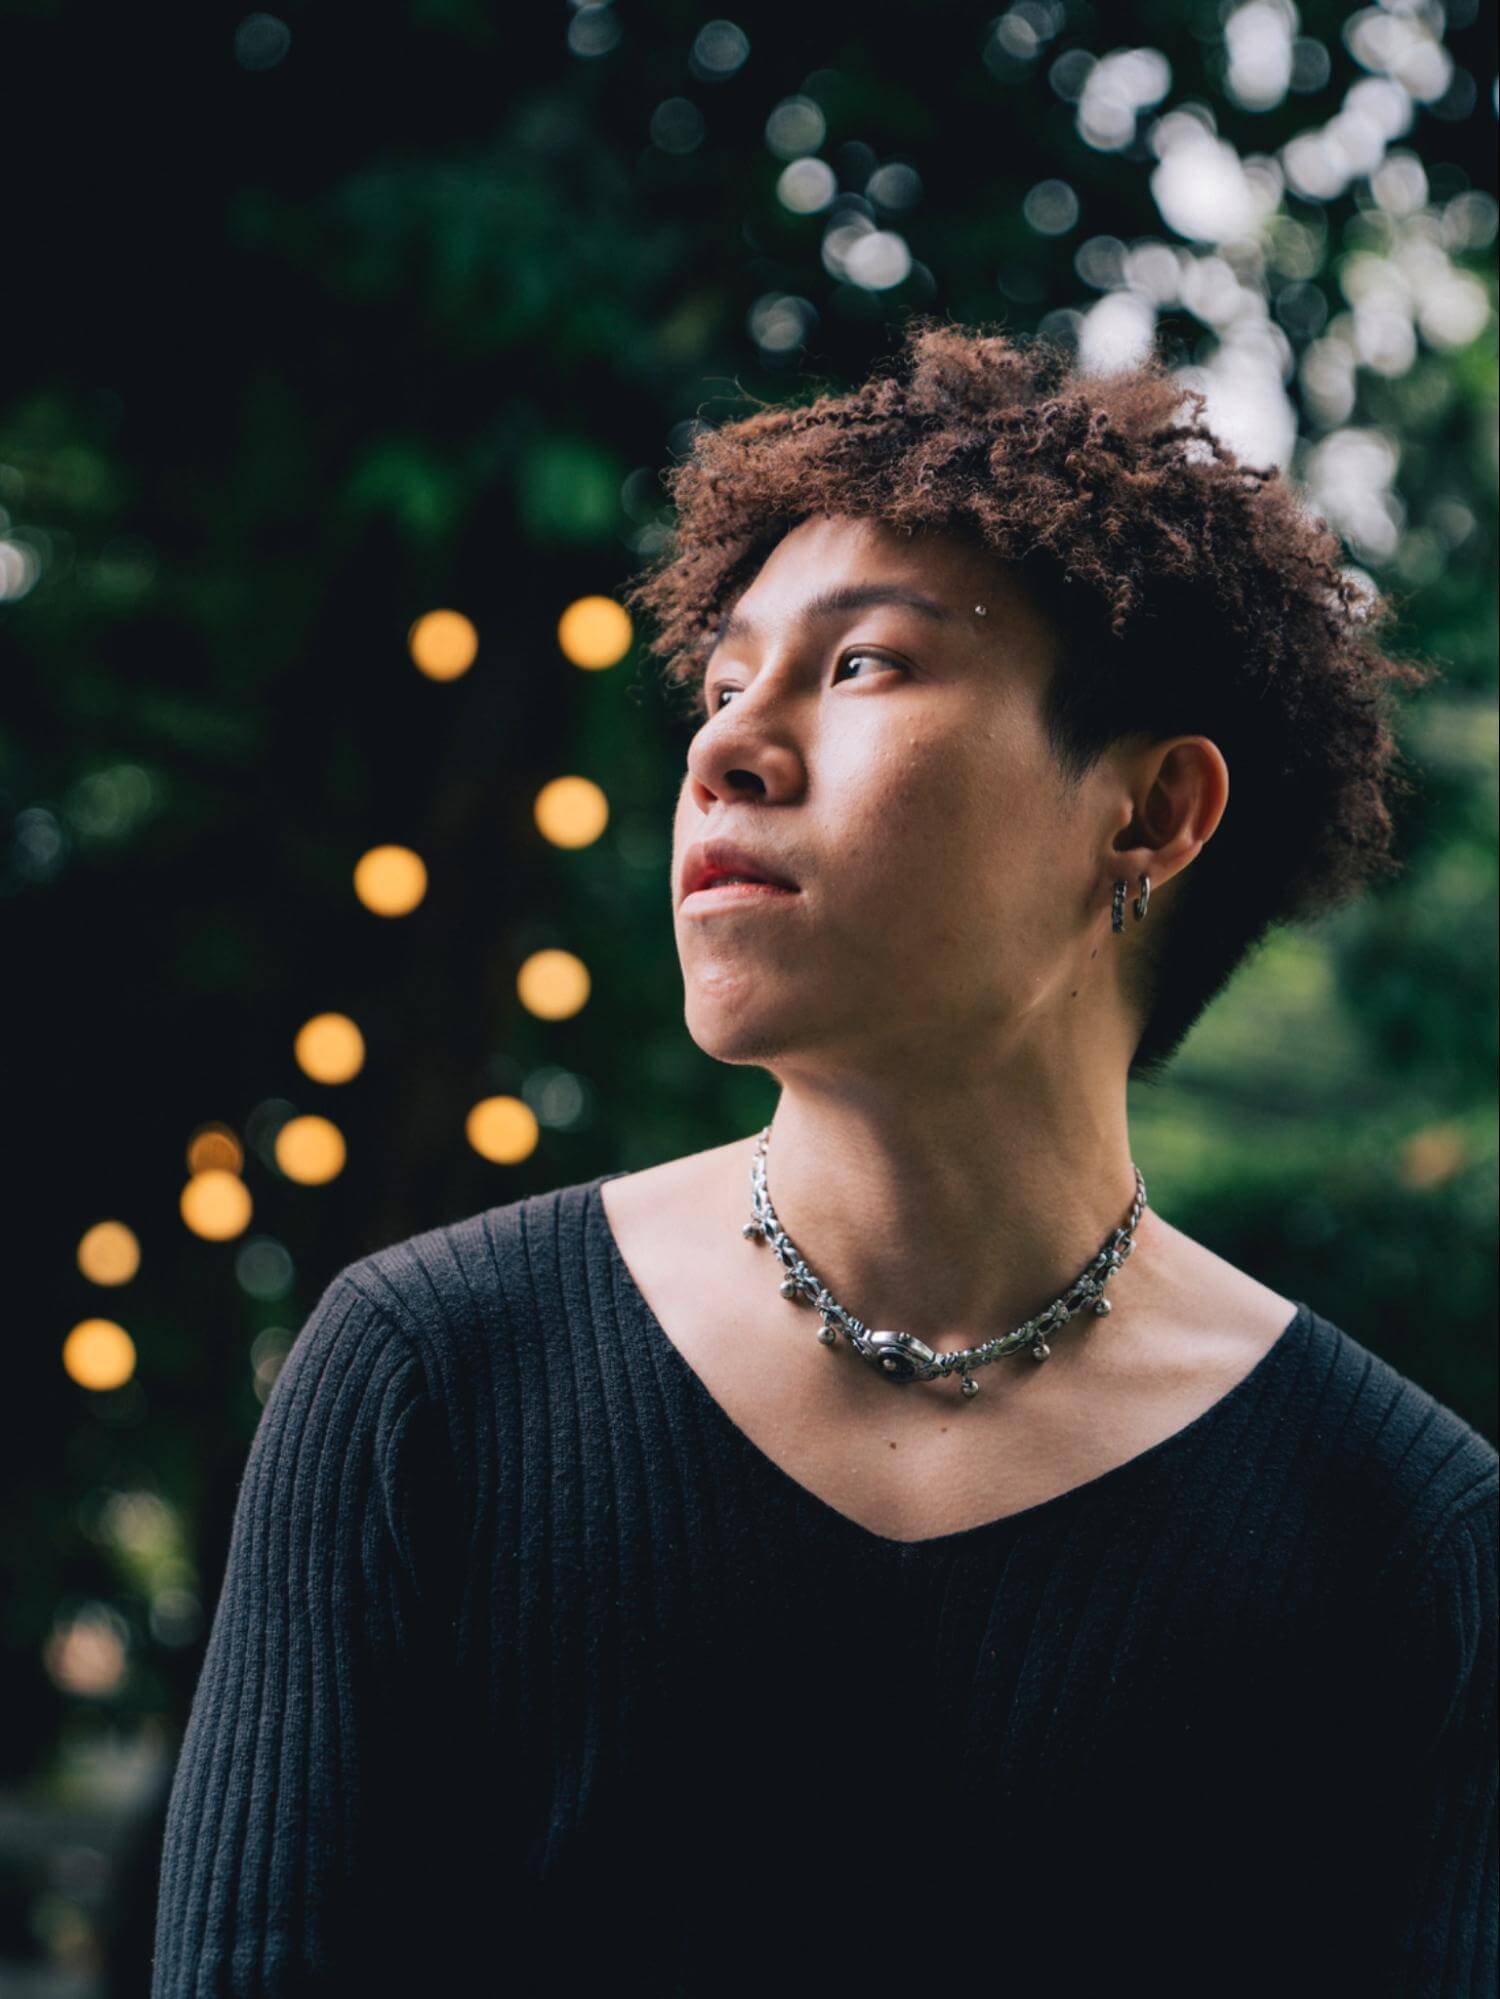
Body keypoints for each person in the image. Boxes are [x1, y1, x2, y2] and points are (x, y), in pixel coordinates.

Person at [150, 321, 1497, 1997]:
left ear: (1151, 815)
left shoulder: (1405, 1540)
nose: (723, 748)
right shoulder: (428, 1380)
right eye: (724, 687)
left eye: (863, 665)